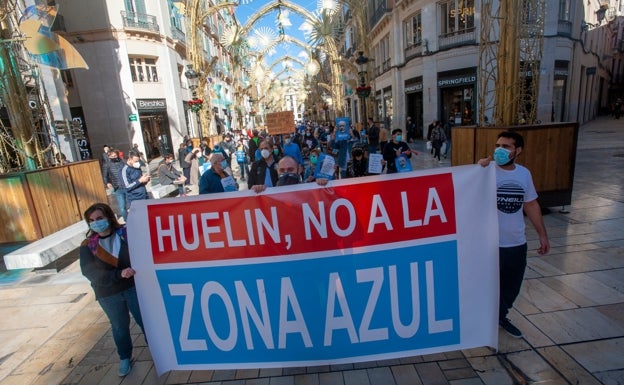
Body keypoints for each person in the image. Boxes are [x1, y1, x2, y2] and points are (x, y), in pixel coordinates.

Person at [478, 131, 550, 338]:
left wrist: (542, 235)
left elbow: (531, 204)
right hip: (489, 244)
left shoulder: (524, 174)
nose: (499, 150)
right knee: (487, 286)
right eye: (498, 145)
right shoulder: (485, 171)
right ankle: (483, 321)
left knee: (511, 286)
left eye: (506, 146)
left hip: (516, 243)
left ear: (518, 150)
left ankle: (500, 316)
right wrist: (478, 167)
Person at [79, 203, 144, 377]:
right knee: (119, 327)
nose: (96, 223)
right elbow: (90, 272)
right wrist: (119, 274)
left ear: (108, 217)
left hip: (133, 288)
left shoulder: (126, 234)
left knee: (146, 321)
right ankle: (124, 357)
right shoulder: (88, 246)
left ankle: (160, 352)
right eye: (91, 220)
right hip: (108, 294)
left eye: (99, 218)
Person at [253, 156, 328, 192]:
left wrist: (322, 185)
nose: (286, 173)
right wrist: (257, 192)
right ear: (277, 172)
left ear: (299, 170)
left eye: (290, 169)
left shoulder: (309, 188)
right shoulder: (269, 193)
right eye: (282, 170)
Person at [102, 149, 127, 221]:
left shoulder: (122, 161)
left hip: (127, 185)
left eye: (115, 155)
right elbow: (105, 176)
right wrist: (107, 183)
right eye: (112, 156)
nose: (114, 157)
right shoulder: (107, 164)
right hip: (117, 187)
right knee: (122, 206)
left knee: (132, 205)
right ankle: (127, 220)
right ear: (109, 156)